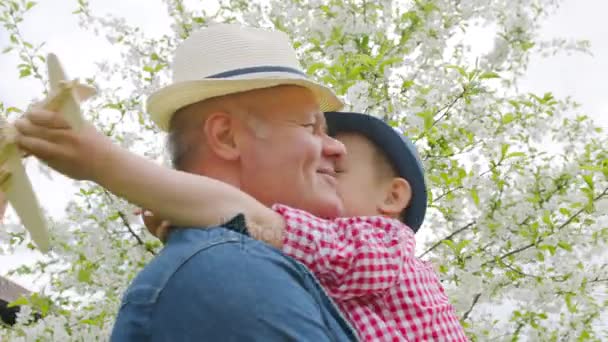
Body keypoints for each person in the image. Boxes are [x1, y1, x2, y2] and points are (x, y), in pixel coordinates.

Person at [12, 24, 359, 341]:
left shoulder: (237, 267)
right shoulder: (231, 273)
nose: (338, 148)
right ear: (226, 137)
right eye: (310, 127)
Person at [14, 102, 467, 340]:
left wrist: (106, 163)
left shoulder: (383, 242)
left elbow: (256, 220)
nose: (328, 162)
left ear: (393, 197)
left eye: (340, 171)